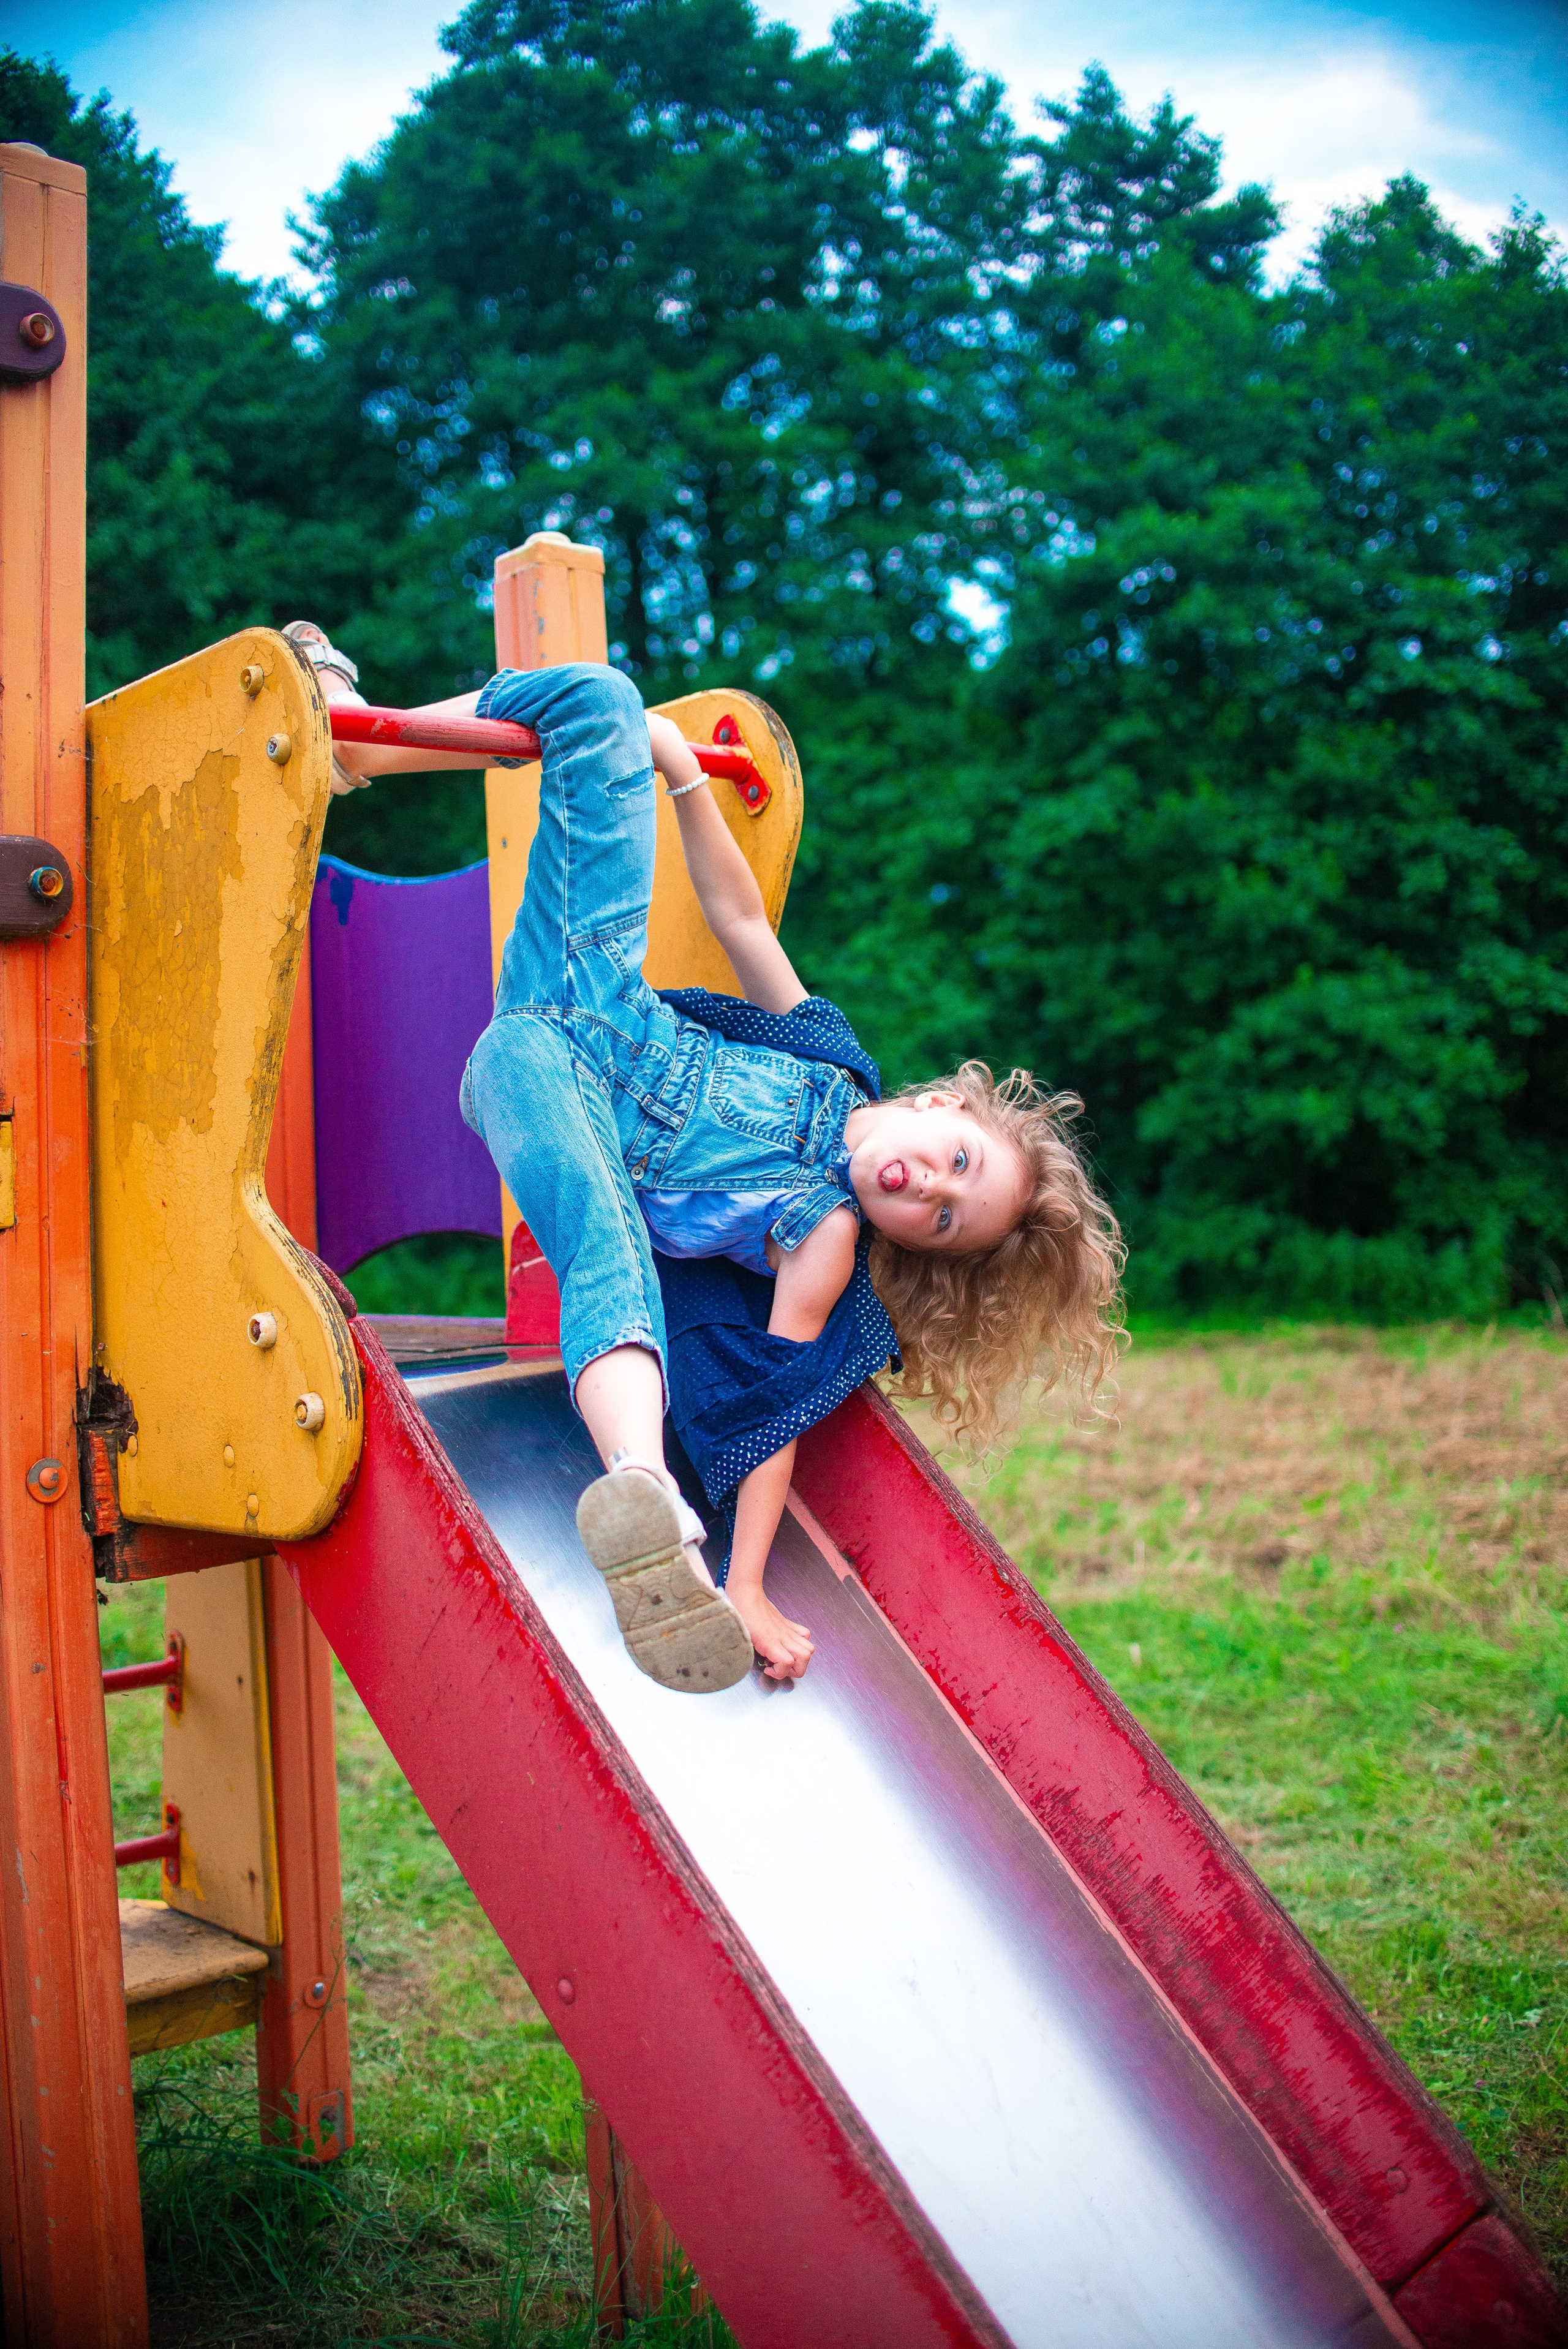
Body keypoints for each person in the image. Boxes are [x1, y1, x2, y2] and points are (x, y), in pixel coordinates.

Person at [283, 624, 1125, 1694]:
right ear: (941, 1104)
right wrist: (682, 774)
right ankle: (357, 746)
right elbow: (737, 917)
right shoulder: (829, 1056)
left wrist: (751, 1579)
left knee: (610, 1254)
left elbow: (774, 1411)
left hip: (555, 1096)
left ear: (924, 1247)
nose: (934, 1190)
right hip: (588, 992)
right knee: (600, 701)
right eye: (958, 1159)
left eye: (948, 1220)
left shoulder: (822, 1234)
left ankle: (648, 1510)